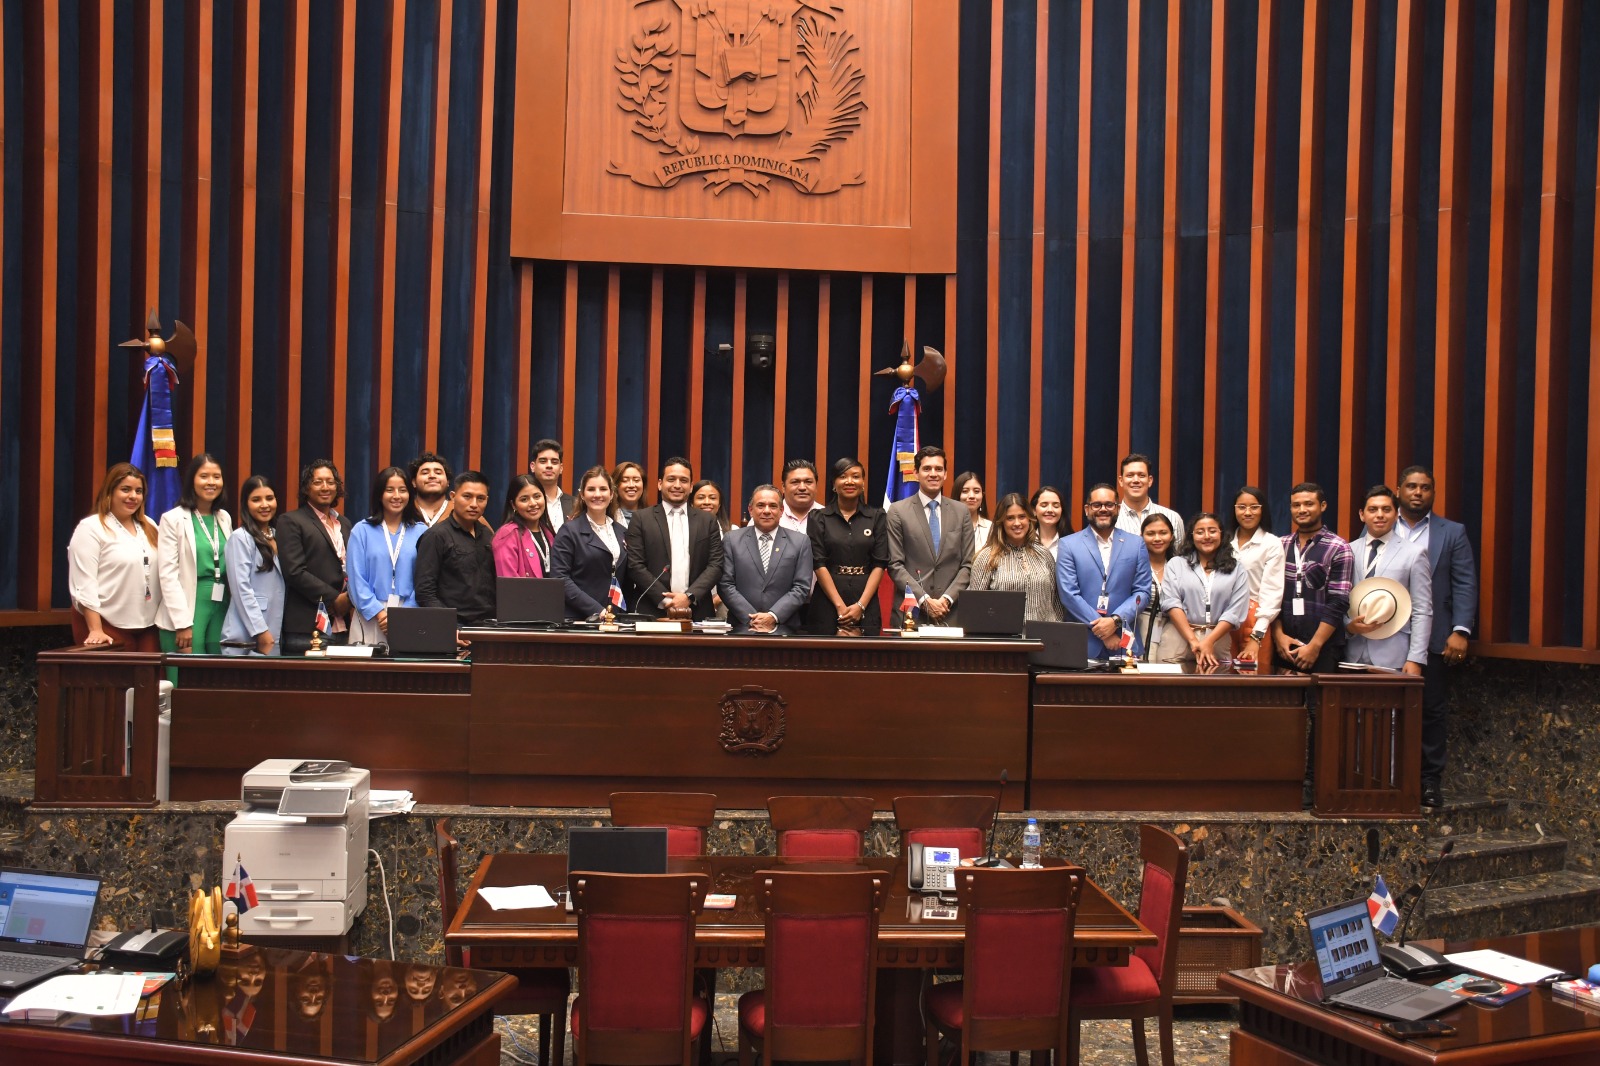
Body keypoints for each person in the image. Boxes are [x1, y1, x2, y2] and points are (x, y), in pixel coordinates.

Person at [1396, 464, 1478, 807]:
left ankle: (1429, 781)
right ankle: (1387, 778)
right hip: (1386, 636)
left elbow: (1464, 582)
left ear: (1433, 492)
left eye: (1425, 487)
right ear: (1399, 490)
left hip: (1434, 636)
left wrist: (1460, 630)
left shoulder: (1452, 532)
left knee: (1431, 710)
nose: (1418, 492)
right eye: (1411, 486)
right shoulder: (1380, 524)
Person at [67, 463, 163, 649]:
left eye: (138, 491)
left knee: (154, 668)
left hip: (147, 624)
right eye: (125, 489)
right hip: (104, 623)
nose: (133, 496)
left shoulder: (150, 525)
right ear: (109, 492)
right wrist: (95, 629)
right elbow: (84, 583)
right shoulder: (91, 528)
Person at [1057, 483, 1152, 659]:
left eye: (1109, 504)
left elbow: (1142, 592)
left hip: (1123, 642)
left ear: (1118, 509)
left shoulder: (1135, 544)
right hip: (1081, 643)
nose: (1103, 509)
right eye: (1097, 505)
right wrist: (1103, 630)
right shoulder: (1068, 545)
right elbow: (1069, 594)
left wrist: (1115, 620)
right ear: (1087, 509)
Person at [1346, 485, 1433, 677]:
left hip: (1394, 656)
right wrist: (1348, 627)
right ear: (1362, 515)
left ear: (1396, 514)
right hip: (1352, 653)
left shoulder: (1414, 553)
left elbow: (1422, 609)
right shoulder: (1347, 550)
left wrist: (1416, 658)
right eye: (1372, 509)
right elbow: (1338, 600)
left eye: (1386, 509)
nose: (1380, 515)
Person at [156, 453, 233, 665]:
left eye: (216, 476)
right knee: (185, 674)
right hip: (188, 605)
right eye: (204, 476)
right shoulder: (172, 519)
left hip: (220, 603)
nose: (211, 482)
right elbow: (168, 575)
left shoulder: (224, 517)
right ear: (192, 480)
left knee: (216, 673)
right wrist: (181, 623)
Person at [624, 457, 724, 619]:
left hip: (698, 611)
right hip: (651, 609)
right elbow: (635, 565)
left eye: (683, 480)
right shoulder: (641, 519)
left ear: (690, 487)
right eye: (671, 479)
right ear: (659, 484)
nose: (677, 485)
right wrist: (666, 601)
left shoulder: (707, 521)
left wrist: (688, 597)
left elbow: (716, 565)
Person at [886, 446, 974, 626]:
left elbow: (968, 564)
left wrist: (947, 599)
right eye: (927, 469)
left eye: (938, 469)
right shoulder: (897, 511)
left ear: (945, 474)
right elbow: (895, 565)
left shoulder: (961, 512)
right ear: (915, 473)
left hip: (951, 613)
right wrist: (924, 600)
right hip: (911, 614)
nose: (933, 474)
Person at [1271, 482, 1353, 674]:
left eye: (1308, 504)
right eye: (1296, 505)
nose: (1302, 510)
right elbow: (1270, 596)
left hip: (1323, 647)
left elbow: (1338, 602)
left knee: (1319, 695)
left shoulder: (1338, 547)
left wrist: (1315, 646)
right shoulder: (1279, 545)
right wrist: (1278, 636)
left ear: (1322, 506)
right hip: (1285, 644)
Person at [275, 460, 353, 653]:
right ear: (306, 487)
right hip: (307, 628)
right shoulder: (291, 521)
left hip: (343, 625)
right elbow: (294, 571)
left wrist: (349, 598)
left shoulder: (344, 523)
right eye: (318, 482)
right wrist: (334, 599)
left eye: (330, 482)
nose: (325, 487)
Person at [807, 457, 888, 635]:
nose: (850, 481)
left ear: (863, 483)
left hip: (866, 598)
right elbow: (818, 563)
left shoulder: (877, 517)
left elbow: (880, 564)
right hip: (828, 600)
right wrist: (840, 607)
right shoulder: (818, 517)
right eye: (843, 477)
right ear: (834, 484)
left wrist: (861, 606)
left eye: (856, 476)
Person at [345, 466, 426, 644]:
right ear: (379, 494)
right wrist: (379, 613)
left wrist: (404, 614)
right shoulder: (361, 530)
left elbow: (425, 579)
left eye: (402, 490)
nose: (396, 496)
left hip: (410, 614)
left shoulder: (422, 531)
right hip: (370, 614)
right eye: (389, 490)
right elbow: (356, 579)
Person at [719, 484, 814, 633]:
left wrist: (773, 616)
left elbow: (801, 587)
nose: (767, 511)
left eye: (773, 506)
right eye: (761, 505)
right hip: (742, 626)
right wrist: (752, 618)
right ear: (751, 510)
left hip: (785, 627)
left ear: (781, 511)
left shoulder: (800, 541)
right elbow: (725, 584)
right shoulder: (732, 539)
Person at [1163, 513, 1251, 669]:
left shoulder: (1237, 569)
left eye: (1212, 531)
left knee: (1215, 683)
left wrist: (1209, 641)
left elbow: (1235, 611)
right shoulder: (1176, 564)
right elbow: (1172, 603)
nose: (1207, 536)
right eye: (1200, 532)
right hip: (1179, 637)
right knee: (1171, 684)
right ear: (1192, 536)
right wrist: (1193, 640)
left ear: (1221, 534)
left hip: (1218, 640)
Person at [414, 472, 496, 625]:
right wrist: (449, 625)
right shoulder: (436, 536)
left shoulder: (487, 534)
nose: (474, 504)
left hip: (489, 625)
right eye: (467, 496)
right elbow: (425, 592)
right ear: (453, 496)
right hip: (454, 626)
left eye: (480, 498)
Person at [969, 492, 1064, 623]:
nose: (1017, 523)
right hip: (1003, 634)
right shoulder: (987, 557)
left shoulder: (1044, 554)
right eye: (1010, 518)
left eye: (1022, 516)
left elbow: (1056, 604)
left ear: (1029, 518)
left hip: (1042, 634)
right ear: (1001, 522)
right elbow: (975, 607)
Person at [549, 466, 627, 619]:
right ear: (582, 495)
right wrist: (597, 610)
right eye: (591, 489)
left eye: (603, 489)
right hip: (580, 618)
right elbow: (560, 578)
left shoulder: (622, 532)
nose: (597, 494)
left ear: (611, 494)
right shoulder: (569, 531)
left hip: (615, 618)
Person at [221, 475, 285, 655]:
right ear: (246, 504)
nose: (265, 505)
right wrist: (260, 630)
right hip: (247, 634)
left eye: (269, 498)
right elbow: (241, 589)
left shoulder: (279, 535)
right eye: (256, 500)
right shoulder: (240, 538)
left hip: (275, 628)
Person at [1228, 485, 1285, 670]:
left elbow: (1272, 593)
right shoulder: (1224, 542)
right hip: (1223, 620)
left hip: (1255, 620)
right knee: (1222, 677)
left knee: (1253, 677)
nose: (1247, 512)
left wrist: (1256, 637)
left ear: (1263, 510)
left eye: (1254, 507)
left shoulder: (1271, 543)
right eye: (1241, 507)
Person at [1132, 513, 1182, 662]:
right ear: (1141, 536)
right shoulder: (1133, 565)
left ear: (1172, 536)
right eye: (1150, 534)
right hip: (1140, 627)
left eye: (1163, 533)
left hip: (1173, 630)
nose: (1157, 538)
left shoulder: (1181, 566)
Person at [1114, 453, 1185, 546]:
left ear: (1150, 480)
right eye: (1130, 475)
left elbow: (1178, 554)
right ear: (1121, 481)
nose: (1136, 480)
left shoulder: (1172, 518)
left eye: (1141, 475)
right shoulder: (1110, 518)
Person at [492, 474, 554, 578]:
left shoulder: (548, 532)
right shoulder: (507, 535)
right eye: (524, 499)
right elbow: (508, 583)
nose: (533, 503)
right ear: (513, 505)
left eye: (537, 496)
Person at [529, 439, 575, 532]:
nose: (549, 466)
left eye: (554, 462)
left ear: (561, 468)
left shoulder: (575, 504)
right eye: (543, 461)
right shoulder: (524, 503)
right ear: (533, 466)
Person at [408, 452, 454, 528]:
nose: (432, 476)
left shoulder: (460, 511)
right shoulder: (404, 510)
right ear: (414, 482)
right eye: (425, 473)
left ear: (448, 482)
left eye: (438, 473)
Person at [778, 459, 823, 534]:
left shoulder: (828, 517)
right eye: (795, 482)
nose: (802, 487)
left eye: (808, 482)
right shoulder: (770, 516)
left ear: (816, 486)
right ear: (783, 487)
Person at [954, 471, 991, 558]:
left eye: (976, 491)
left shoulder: (991, 528)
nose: (971, 496)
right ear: (957, 495)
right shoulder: (946, 526)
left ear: (982, 496)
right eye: (965, 491)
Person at [1029, 485, 1066, 561]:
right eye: (1044, 505)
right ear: (1034, 510)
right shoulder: (1025, 542)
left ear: (1061, 511)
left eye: (1056, 506)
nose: (1050, 510)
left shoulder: (1072, 543)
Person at [612, 461, 646, 529]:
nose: (631, 485)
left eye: (636, 480)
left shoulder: (653, 518)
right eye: (625, 480)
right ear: (615, 485)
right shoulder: (606, 519)